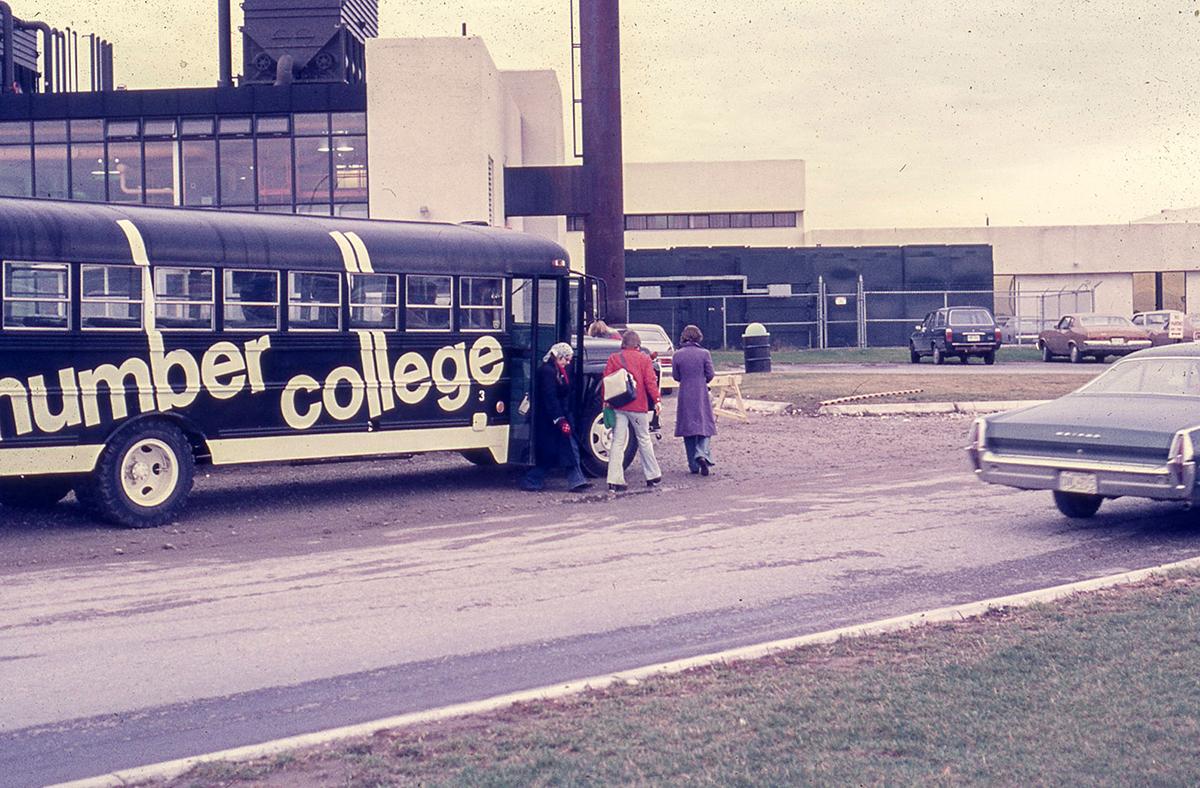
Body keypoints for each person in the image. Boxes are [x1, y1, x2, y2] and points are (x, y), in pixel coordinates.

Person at [521, 342, 591, 493]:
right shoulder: (548, 372)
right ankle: (533, 479)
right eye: (566, 359)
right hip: (551, 419)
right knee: (559, 451)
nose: (568, 363)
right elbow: (550, 398)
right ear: (558, 357)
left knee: (566, 449)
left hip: (553, 419)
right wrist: (560, 419)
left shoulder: (551, 370)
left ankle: (576, 480)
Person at [604, 330, 662, 492]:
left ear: (623, 343)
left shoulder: (614, 358)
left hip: (619, 405)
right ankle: (652, 475)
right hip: (638, 405)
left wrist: (606, 401)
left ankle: (615, 479)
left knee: (617, 441)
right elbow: (650, 382)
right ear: (638, 344)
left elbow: (606, 382)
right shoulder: (644, 359)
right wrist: (657, 400)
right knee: (644, 439)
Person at [672, 324, 717, 475]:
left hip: (685, 393)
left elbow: (676, 376)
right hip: (700, 392)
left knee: (688, 429)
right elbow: (710, 374)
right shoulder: (705, 354)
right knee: (706, 426)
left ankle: (693, 465)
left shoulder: (677, 355)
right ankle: (702, 453)